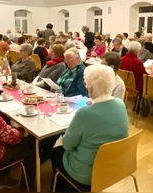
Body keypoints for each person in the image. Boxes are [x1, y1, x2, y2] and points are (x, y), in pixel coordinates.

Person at [51, 64, 128, 192]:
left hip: (87, 174)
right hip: (114, 167)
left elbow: (68, 145)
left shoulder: (85, 113)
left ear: (91, 89)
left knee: (55, 151)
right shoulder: (120, 104)